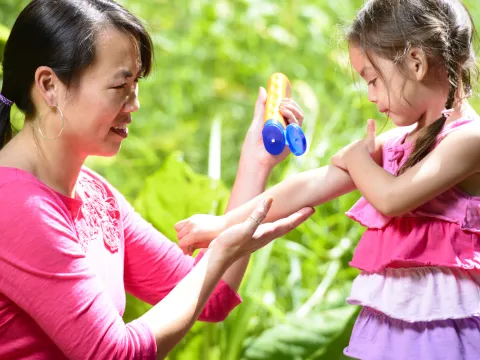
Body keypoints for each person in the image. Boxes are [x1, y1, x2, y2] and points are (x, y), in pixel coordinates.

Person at [0, 0, 315, 359]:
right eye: (120, 86)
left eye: (136, 83)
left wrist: (256, 162)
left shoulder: (94, 194)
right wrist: (220, 253)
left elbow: (211, 297)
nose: (134, 103)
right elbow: (113, 354)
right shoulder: (15, 205)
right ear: (49, 85)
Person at [175, 0, 480, 358]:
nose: (371, 96)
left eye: (373, 79)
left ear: (415, 62)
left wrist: (356, 158)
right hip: (392, 327)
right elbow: (311, 185)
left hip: (448, 330)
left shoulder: (468, 140)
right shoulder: (400, 141)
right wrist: (222, 225)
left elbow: (394, 199)